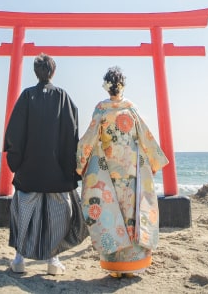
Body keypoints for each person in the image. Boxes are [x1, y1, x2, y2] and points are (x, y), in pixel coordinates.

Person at [76, 66, 169, 277]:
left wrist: (80, 163)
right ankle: (132, 266)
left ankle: (115, 267)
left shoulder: (101, 109)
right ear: (122, 85)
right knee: (132, 215)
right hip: (132, 169)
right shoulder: (131, 109)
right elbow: (145, 136)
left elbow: (90, 137)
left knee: (111, 214)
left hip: (108, 170)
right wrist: (153, 162)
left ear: (106, 87)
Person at [3, 53, 87, 275]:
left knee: (23, 214)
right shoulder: (63, 97)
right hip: (57, 173)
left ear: (35, 72)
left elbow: (14, 133)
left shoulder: (27, 96)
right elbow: (72, 134)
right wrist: (70, 166)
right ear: (53, 72)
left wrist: (16, 161)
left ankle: (19, 259)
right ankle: (53, 260)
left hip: (28, 171)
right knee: (58, 216)